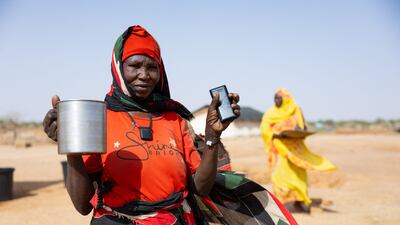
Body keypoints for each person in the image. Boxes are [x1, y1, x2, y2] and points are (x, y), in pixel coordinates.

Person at [43, 25, 240, 224]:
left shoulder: (174, 119)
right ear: (119, 68)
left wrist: (212, 137)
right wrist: (72, 147)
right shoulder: (100, 118)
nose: (144, 75)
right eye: (135, 66)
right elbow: (82, 206)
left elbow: (201, 189)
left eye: (152, 67)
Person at [260, 88, 336, 212]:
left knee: (298, 176)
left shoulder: (295, 109)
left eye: (279, 98)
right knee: (278, 176)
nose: (276, 100)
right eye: (275, 98)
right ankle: (281, 204)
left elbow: (302, 127)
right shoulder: (270, 113)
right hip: (281, 149)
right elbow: (264, 128)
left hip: (295, 148)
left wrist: (297, 132)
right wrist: (278, 135)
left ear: (286, 99)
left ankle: (299, 202)